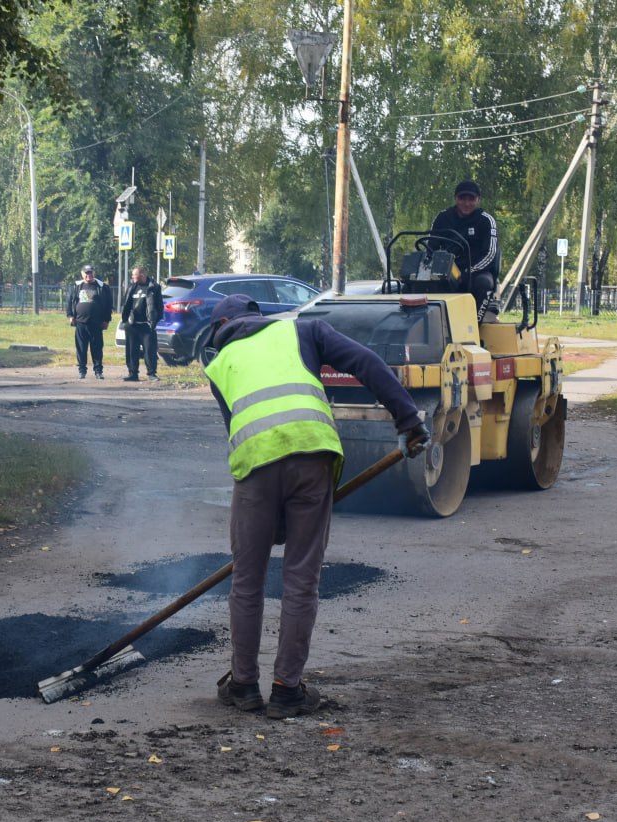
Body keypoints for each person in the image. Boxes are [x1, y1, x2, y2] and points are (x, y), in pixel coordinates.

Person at [202, 294, 431, 719]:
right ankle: (287, 690)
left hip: (255, 468)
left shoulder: (219, 365)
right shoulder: (303, 330)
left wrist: (271, 519)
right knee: (300, 579)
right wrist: (408, 420)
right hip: (313, 457)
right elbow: (366, 362)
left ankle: (244, 685)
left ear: (221, 330)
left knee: (247, 580)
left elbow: (239, 429)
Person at [429, 179, 500, 319]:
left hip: (476, 271)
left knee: (483, 283)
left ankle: (473, 325)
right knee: (419, 283)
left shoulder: (485, 221)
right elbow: (430, 246)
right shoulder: (443, 218)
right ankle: (433, 325)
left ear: (478, 200)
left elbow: (490, 254)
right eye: (462, 198)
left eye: (471, 199)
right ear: (456, 198)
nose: (467, 203)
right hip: (447, 270)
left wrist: (468, 271)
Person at [65, 264, 113, 379]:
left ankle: (98, 371)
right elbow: (69, 301)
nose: (89, 275)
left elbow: (108, 304)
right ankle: (82, 371)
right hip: (80, 323)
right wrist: (70, 316)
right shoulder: (77, 286)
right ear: (82, 274)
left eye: (90, 273)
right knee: (81, 348)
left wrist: (106, 320)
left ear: (93, 273)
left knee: (97, 348)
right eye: (86, 273)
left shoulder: (102, 287)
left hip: (96, 323)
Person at [120, 266, 163, 382]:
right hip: (132, 325)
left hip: (147, 326)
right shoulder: (131, 288)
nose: (133, 277)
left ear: (142, 275)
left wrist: (154, 322)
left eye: (135, 275)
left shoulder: (154, 288)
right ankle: (133, 373)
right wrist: (125, 321)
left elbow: (159, 307)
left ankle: (152, 374)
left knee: (150, 351)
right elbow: (126, 305)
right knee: (131, 351)